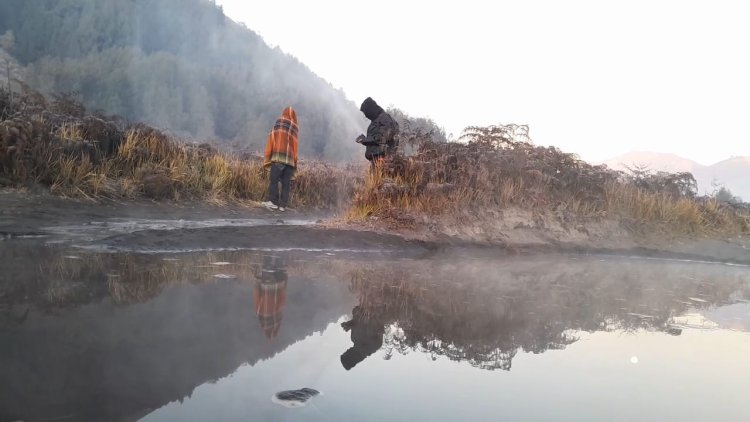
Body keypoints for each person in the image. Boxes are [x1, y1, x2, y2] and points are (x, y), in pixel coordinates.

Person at [262, 106, 299, 211]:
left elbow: (273, 136)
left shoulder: (280, 121)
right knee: (286, 183)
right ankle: (282, 205)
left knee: (274, 180)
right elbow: (295, 146)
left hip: (279, 157)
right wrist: (294, 160)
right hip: (290, 161)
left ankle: (273, 202)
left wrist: (271, 152)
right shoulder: (295, 127)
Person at [355, 97, 399, 166]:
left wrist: (365, 140)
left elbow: (382, 138)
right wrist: (363, 140)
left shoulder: (385, 119)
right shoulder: (378, 119)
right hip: (377, 161)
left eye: (366, 112)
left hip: (383, 162)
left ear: (370, 110)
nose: (366, 116)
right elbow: (377, 139)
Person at [253, 255, 288, 339]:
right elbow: (257, 294)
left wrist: (284, 283)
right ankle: (270, 250)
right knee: (267, 259)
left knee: (280, 259)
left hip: (279, 282)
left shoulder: (278, 315)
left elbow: (282, 300)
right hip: (266, 282)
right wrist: (257, 280)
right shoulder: (259, 311)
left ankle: (280, 250)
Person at [340, 305, 384, 370]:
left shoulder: (354, 338)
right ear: (351, 357)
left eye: (346, 351)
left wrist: (348, 324)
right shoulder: (372, 347)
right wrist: (374, 315)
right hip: (377, 306)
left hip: (363, 304)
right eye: (347, 352)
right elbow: (381, 327)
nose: (347, 350)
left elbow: (356, 321)